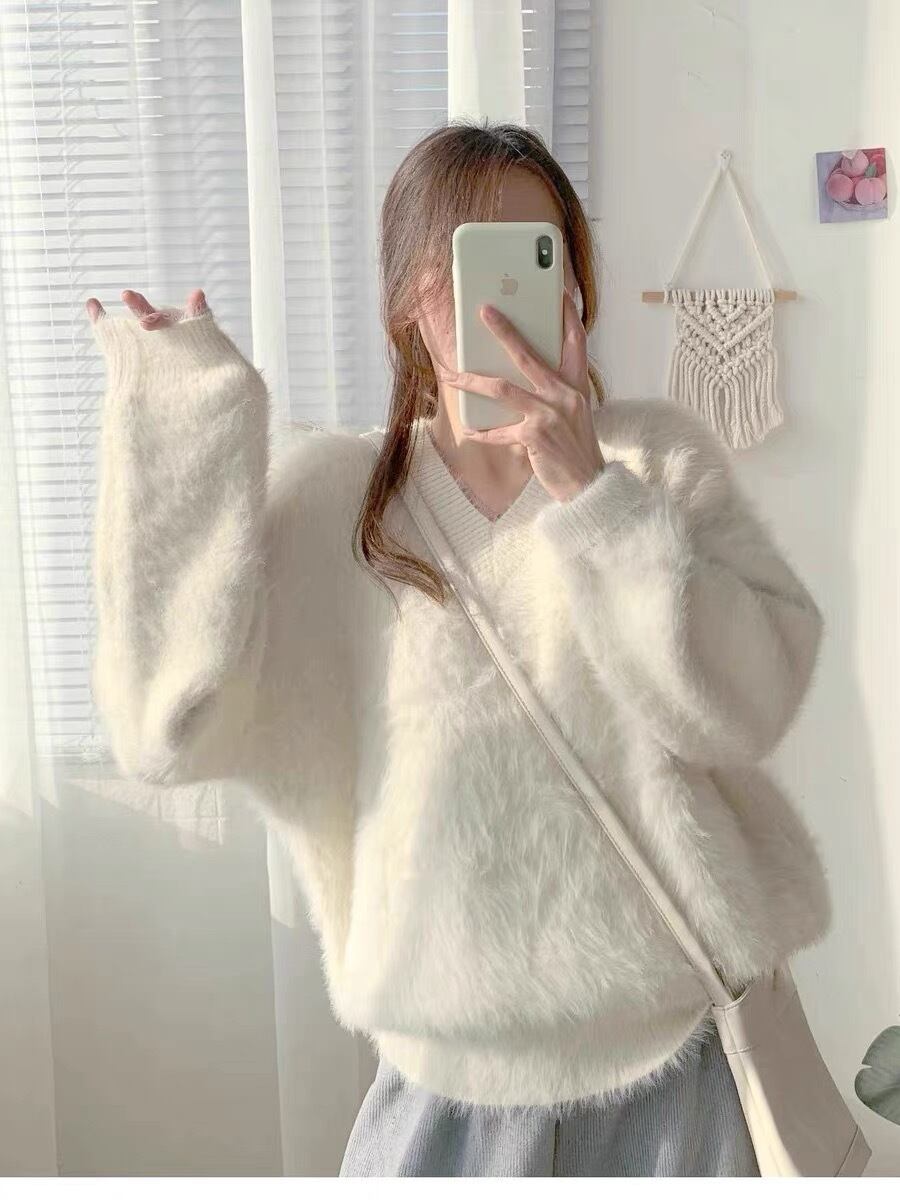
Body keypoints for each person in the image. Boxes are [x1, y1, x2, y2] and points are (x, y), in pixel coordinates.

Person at [84, 121, 831, 1177]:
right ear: (409, 299)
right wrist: (187, 420)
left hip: (681, 1082)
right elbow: (171, 728)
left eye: (538, 258)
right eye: (471, 261)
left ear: (575, 286)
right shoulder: (336, 501)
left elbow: (746, 707)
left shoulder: (651, 461)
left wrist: (594, 498)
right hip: (450, 1100)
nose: (505, 301)